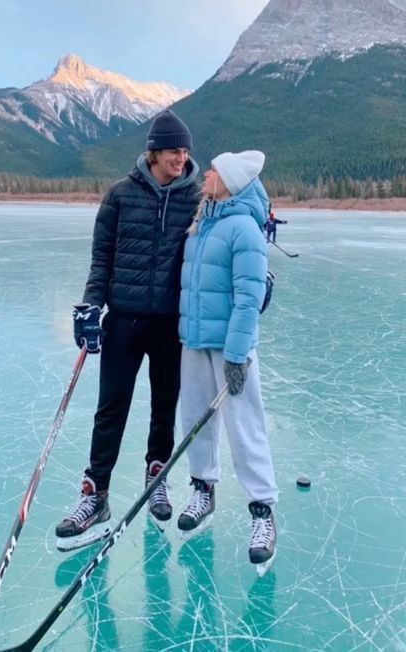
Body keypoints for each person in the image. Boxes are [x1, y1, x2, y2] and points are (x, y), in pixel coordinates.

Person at [55, 110, 200, 549]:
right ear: (154, 152)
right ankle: (95, 494)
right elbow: (102, 260)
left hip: (171, 323)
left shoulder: (197, 197)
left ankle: (157, 476)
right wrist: (90, 308)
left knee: (164, 405)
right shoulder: (119, 195)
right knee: (111, 407)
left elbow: (221, 245)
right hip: (123, 319)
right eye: (175, 149)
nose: (182, 157)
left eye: (186, 150)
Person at [177, 150, 278, 568]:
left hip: (230, 348)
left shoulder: (243, 230)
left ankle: (263, 510)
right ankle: (203, 490)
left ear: (230, 181)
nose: (207, 174)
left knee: (244, 426)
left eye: (214, 171)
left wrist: (237, 355)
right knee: (196, 419)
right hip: (195, 341)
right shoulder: (204, 223)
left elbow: (249, 296)